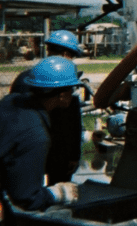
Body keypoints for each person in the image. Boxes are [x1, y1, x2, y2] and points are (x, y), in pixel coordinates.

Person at [0, 57, 81, 212]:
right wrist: (58, 194)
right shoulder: (36, 135)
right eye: (72, 89)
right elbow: (26, 198)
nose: (73, 93)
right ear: (63, 95)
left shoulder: (10, 101)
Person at [10, 30, 84, 185]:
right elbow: (72, 122)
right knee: (55, 194)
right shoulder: (66, 79)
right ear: (65, 54)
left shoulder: (26, 77)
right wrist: (74, 155)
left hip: (27, 148)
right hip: (56, 152)